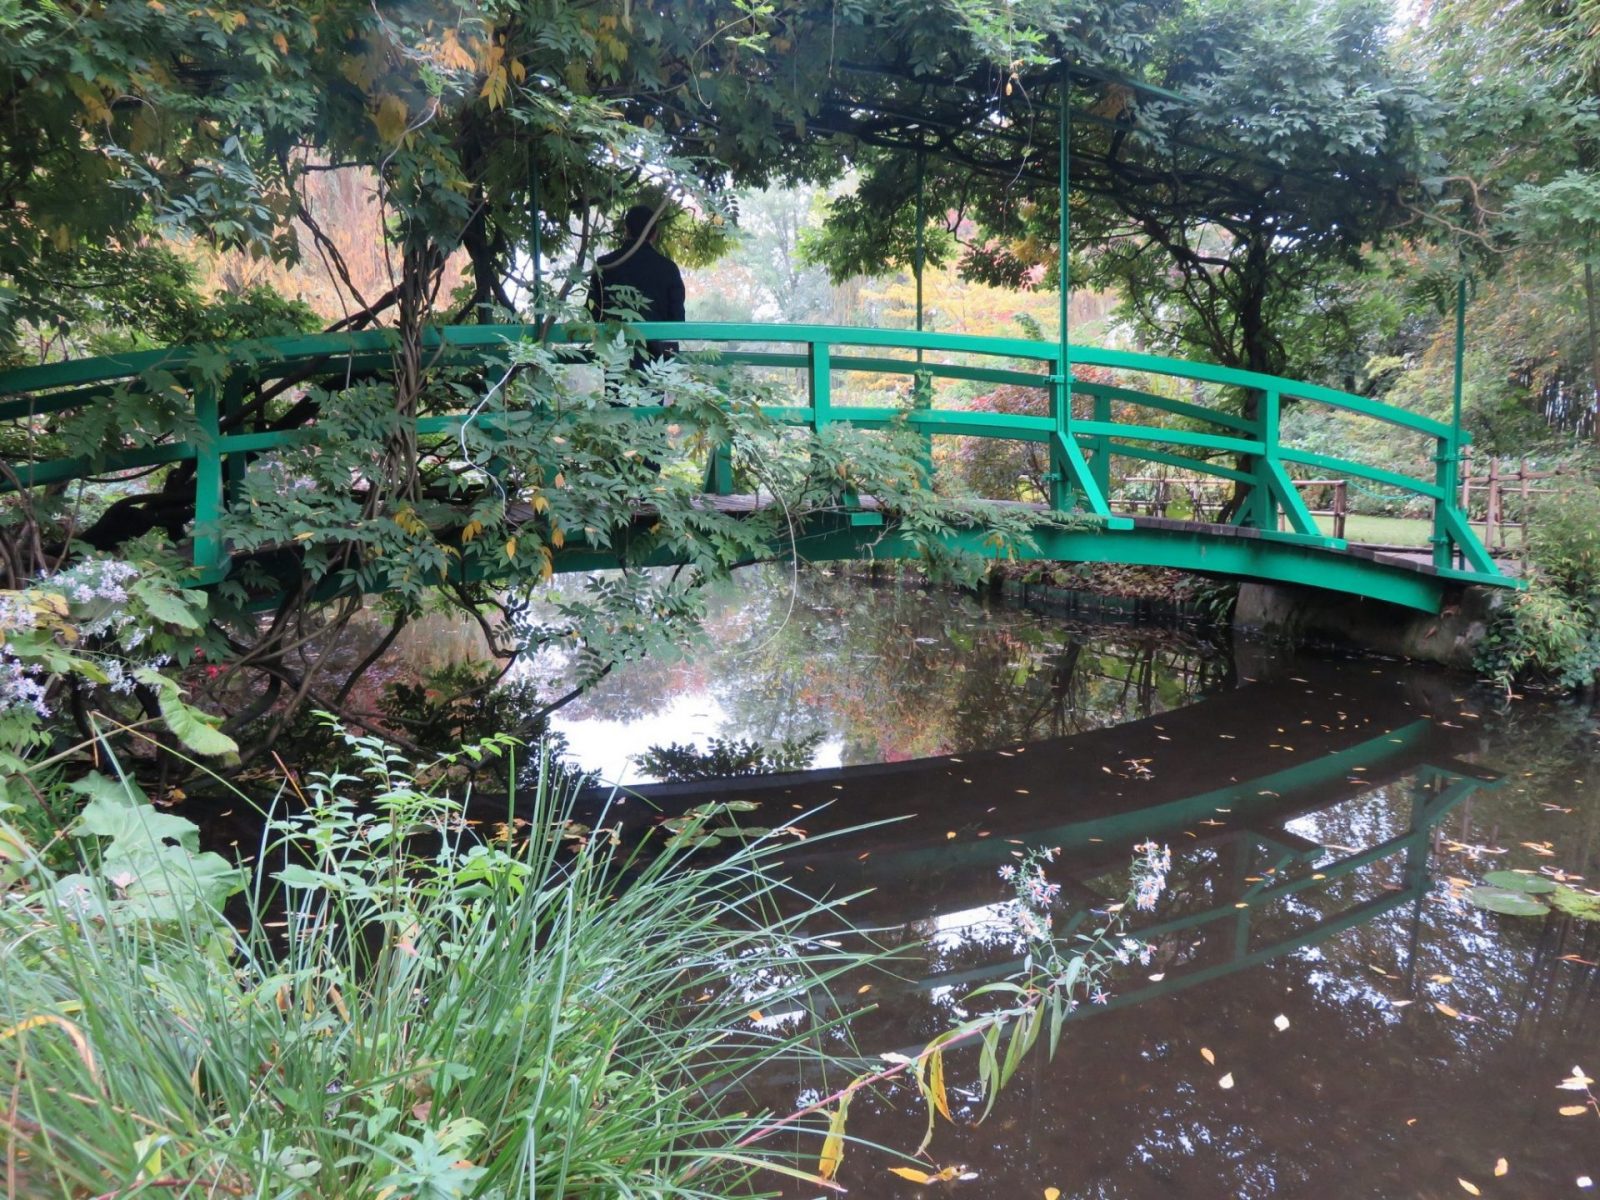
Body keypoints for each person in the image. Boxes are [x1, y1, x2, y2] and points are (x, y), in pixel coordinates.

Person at [587, 204, 686, 363]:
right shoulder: (668, 269)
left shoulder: (605, 265)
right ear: (654, 233)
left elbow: (592, 312)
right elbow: (678, 321)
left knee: (617, 387)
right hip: (656, 361)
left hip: (615, 356)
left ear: (626, 230)